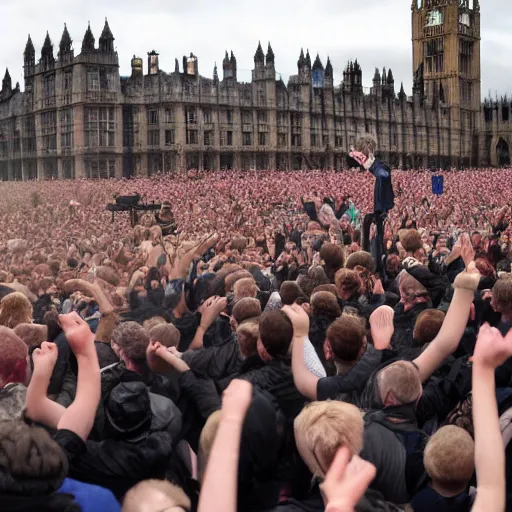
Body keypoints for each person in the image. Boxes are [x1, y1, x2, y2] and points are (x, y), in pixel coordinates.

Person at [350, 134, 394, 273]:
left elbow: (383, 174)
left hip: (378, 224)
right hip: (369, 227)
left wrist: (371, 166)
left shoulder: (380, 168)